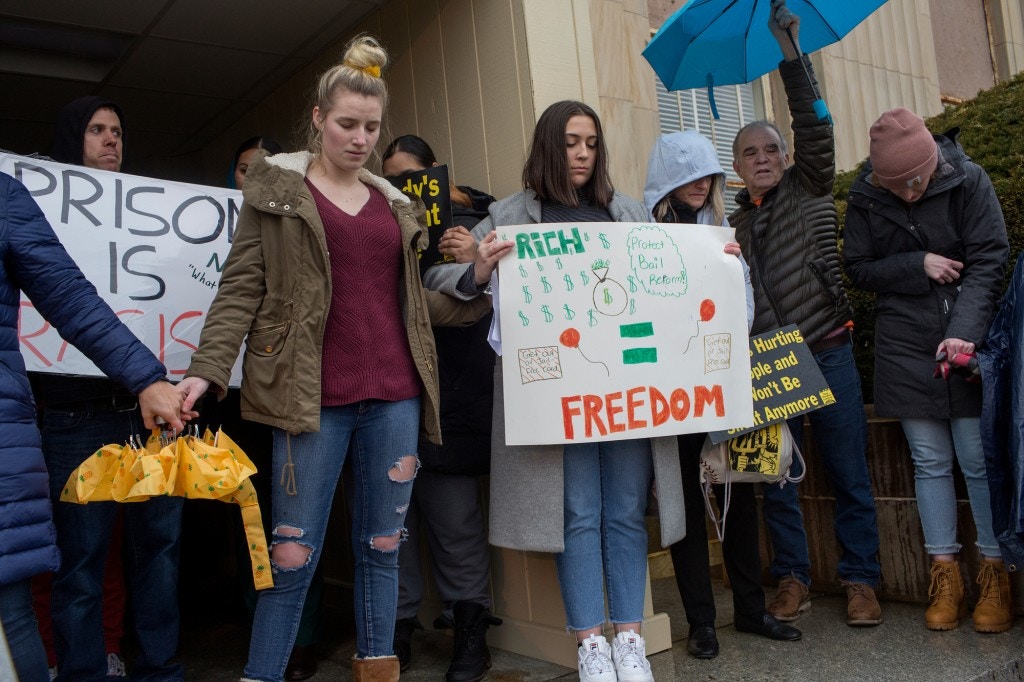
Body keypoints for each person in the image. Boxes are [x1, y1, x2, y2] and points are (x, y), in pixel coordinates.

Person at [175, 35, 500, 682]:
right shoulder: (277, 194)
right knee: (292, 554)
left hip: (396, 401)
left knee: (383, 549)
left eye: (371, 128)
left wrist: (478, 283)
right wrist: (205, 372)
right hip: (310, 401)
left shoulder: (392, 204)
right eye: (347, 124)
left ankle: (378, 671)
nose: (359, 138)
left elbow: (409, 302)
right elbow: (241, 289)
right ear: (319, 119)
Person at [424, 99, 686, 682]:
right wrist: (482, 269)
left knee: (622, 512)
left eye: (591, 142)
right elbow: (440, 280)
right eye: (571, 142)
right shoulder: (509, 214)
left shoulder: (628, 211)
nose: (583, 153)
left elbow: (672, 277)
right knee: (577, 514)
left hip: (627, 391)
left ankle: (631, 641)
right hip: (555, 399)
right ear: (549, 145)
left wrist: (715, 263)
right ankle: (591, 643)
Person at [728, 0, 884, 626]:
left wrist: (791, 50)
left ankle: (862, 582)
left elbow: (815, 125)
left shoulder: (811, 181)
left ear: (785, 155)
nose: (763, 157)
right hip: (771, 359)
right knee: (779, 482)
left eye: (771, 148)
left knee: (849, 472)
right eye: (750, 152)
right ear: (737, 166)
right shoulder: (732, 225)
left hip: (828, 345)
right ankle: (791, 579)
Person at [0, 172, 185, 682]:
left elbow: (67, 297)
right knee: (78, 566)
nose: (110, 141)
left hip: (144, 406)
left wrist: (150, 378)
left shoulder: (8, 199)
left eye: (117, 131)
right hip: (73, 412)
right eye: (96, 130)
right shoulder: (35, 194)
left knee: (157, 557)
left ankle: (157, 671)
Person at [844, 107, 1011, 631]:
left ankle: (994, 573)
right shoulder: (867, 195)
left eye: (916, 183)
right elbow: (858, 267)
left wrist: (964, 330)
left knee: (977, 458)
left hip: (965, 338)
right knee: (929, 461)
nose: (910, 194)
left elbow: (990, 257)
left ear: (932, 161)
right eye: (899, 188)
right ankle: (945, 576)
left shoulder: (969, 179)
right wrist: (917, 264)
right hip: (902, 343)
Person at [644, 130, 801, 658]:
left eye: (707, 173)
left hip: (723, 380)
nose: (700, 184)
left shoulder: (721, 227)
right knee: (687, 502)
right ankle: (702, 624)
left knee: (741, 494)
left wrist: (734, 285)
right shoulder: (643, 232)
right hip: (672, 390)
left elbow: (745, 296)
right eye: (688, 174)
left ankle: (751, 612)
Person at [381, 135, 501, 682]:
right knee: (390, 525)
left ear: (434, 175)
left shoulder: (482, 222)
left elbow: (479, 309)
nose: (403, 191)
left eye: (412, 178)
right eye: (391, 182)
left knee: (455, 522)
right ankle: (396, 630)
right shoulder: (380, 230)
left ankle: (470, 633)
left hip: (452, 401)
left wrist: (470, 258)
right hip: (388, 397)